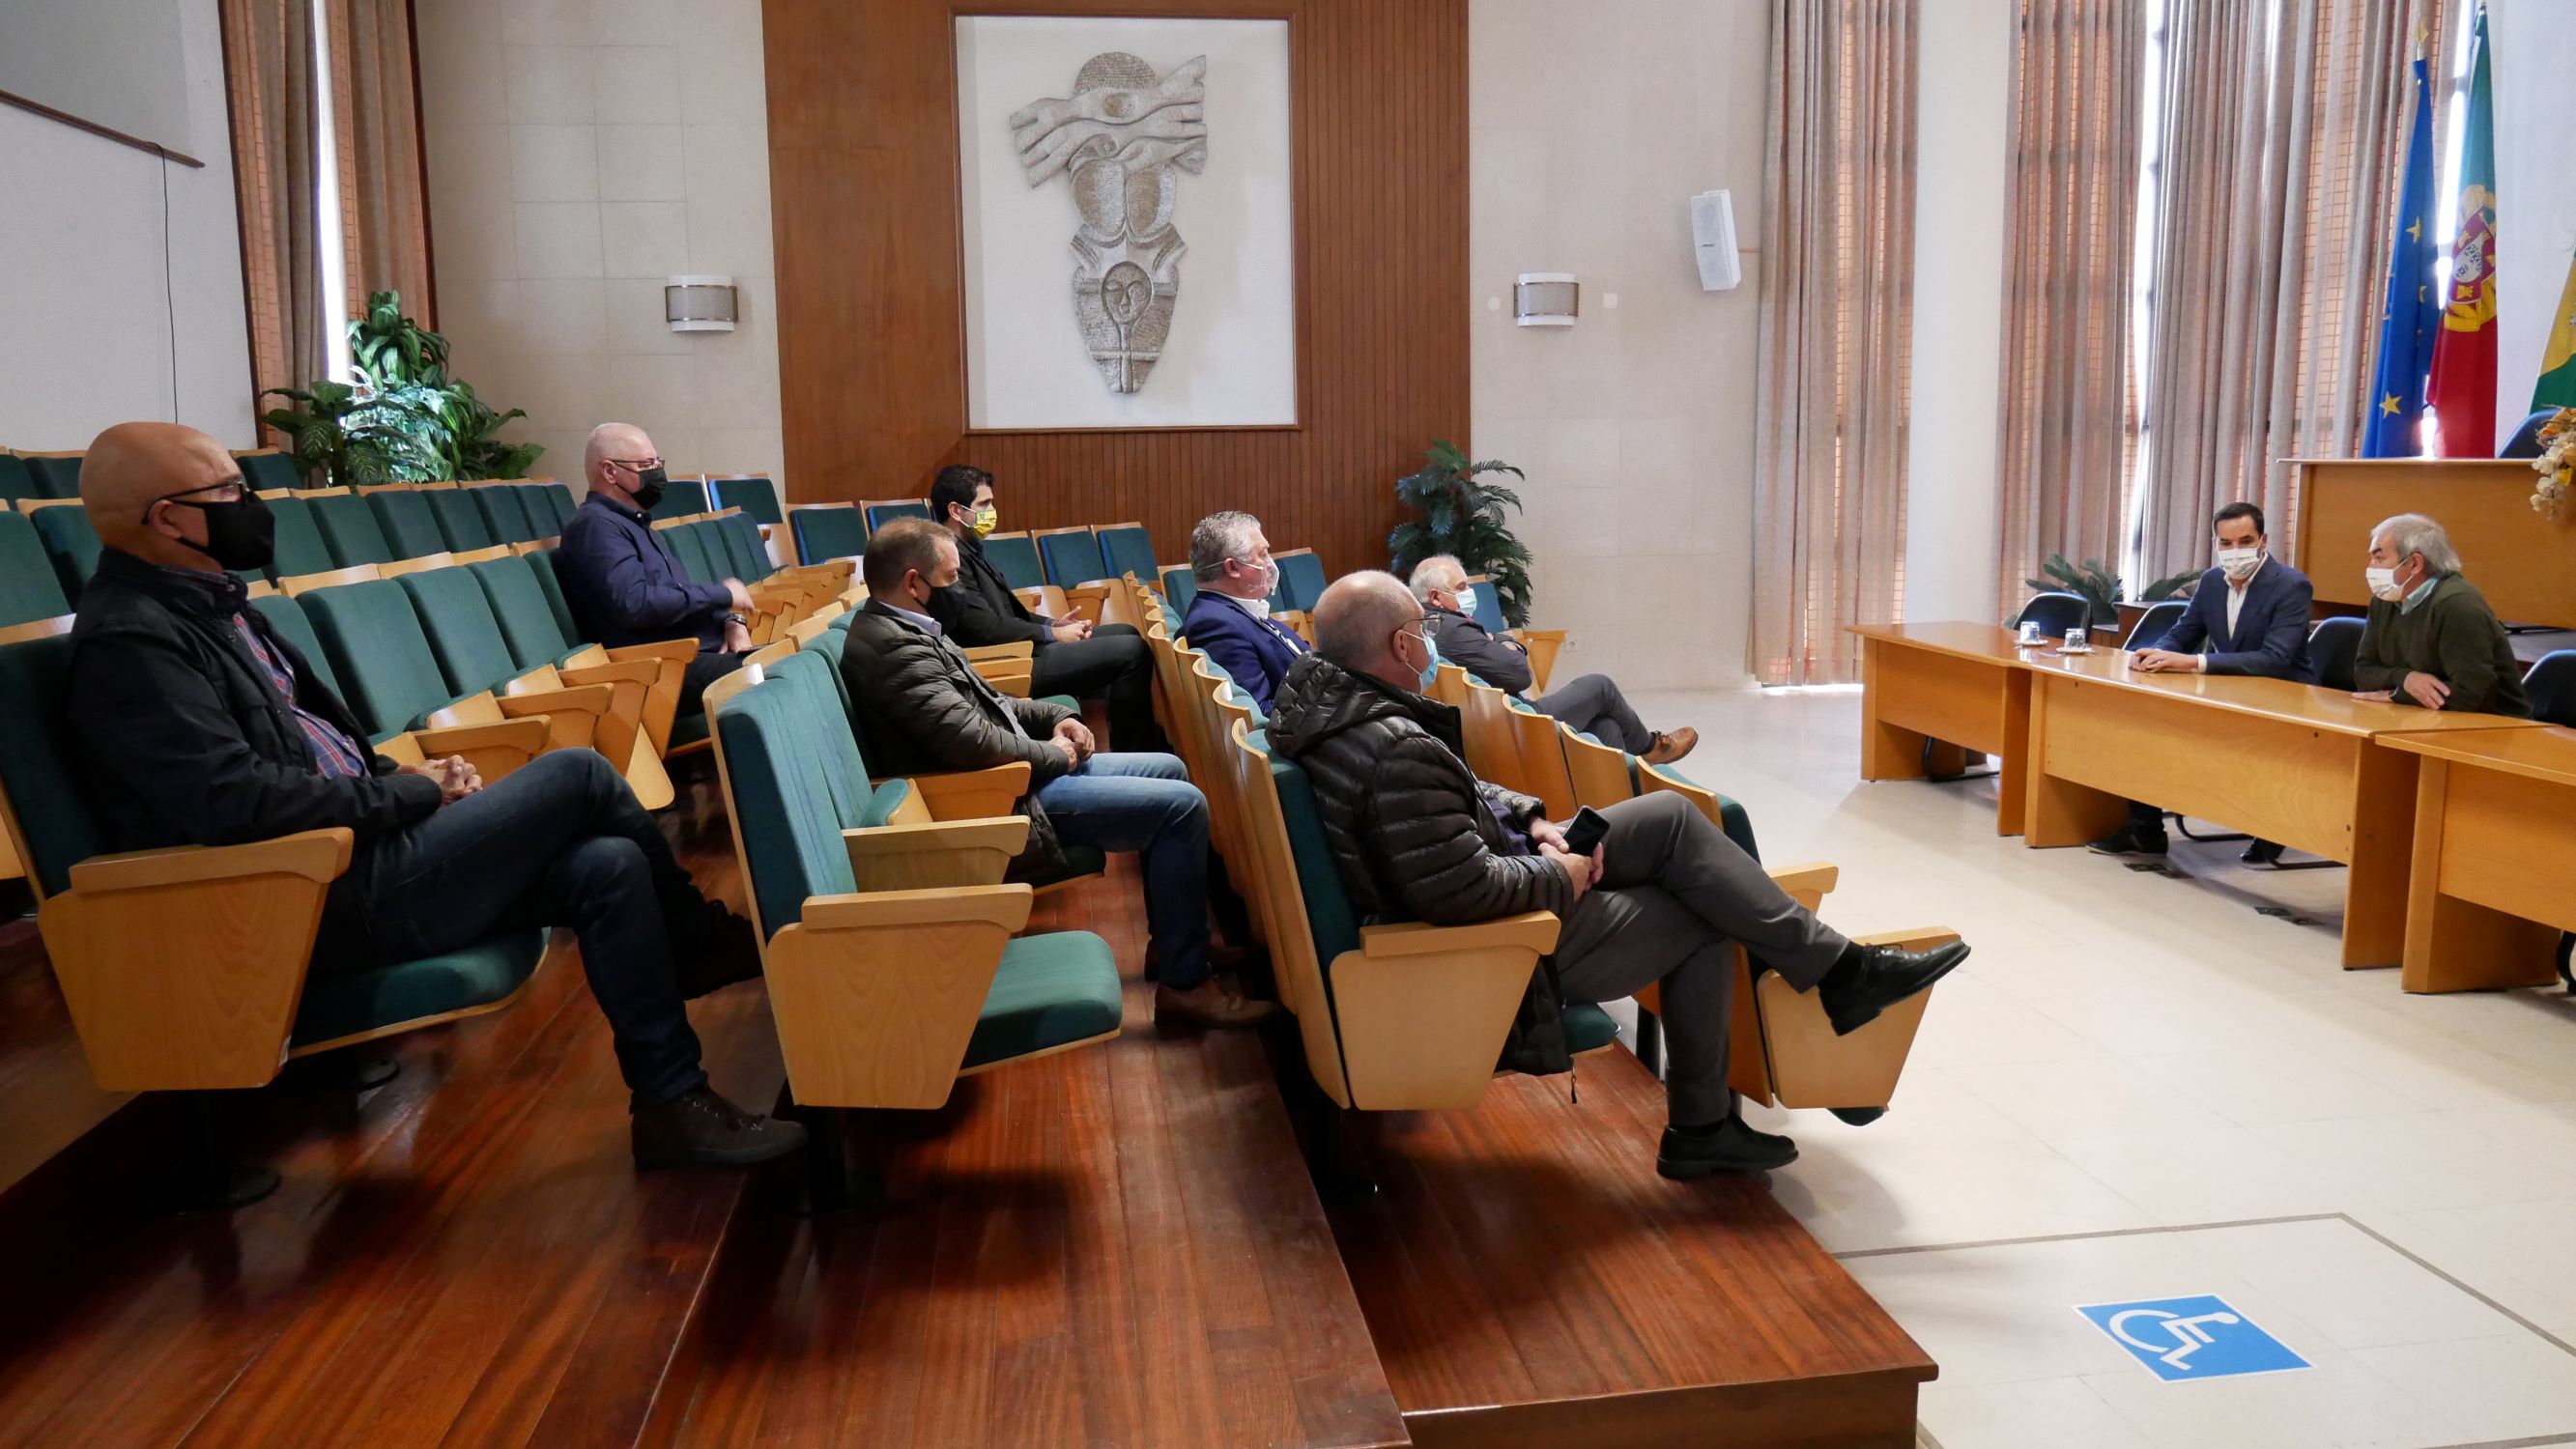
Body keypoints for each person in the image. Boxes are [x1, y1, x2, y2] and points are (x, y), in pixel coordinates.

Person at [65, 422, 799, 1169]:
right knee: (578, 772)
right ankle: (696, 941)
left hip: (361, 852)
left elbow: (322, 750)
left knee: (608, 864)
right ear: (168, 518)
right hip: (304, 895)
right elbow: (236, 802)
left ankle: (673, 1104)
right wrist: (410, 794)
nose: (249, 503)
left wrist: (402, 783)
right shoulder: (132, 641)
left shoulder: (217, 607)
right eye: (228, 491)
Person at [1267, 572, 1966, 1179]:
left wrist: (1532, 820)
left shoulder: (1336, 709)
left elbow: (1459, 794)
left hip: (1496, 874)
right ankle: (1707, 1122)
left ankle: (1838, 973)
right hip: (1496, 951)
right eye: (1422, 630)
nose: (1430, 641)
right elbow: (1461, 892)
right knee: (1706, 907)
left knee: (1667, 817)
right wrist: (1560, 874)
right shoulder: (1392, 748)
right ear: (1400, 646)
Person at [840, 520, 1272, 1030]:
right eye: (951, 578)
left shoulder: (908, 628)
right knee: (1182, 806)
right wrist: (1053, 754)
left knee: (1170, 768)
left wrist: (1056, 717)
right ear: (914, 583)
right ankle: (1186, 988)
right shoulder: (893, 647)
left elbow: (990, 703)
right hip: (988, 798)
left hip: (1009, 775)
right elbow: (971, 743)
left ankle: (1178, 947)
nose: (957, 589)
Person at [2089, 501, 2316, 863]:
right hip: (2228, 691)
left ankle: (2272, 829)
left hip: (2283, 700)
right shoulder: (2212, 581)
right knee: (2143, 723)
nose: (2235, 550)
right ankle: (2145, 831)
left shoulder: (2291, 585)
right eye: (2226, 543)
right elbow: (2184, 632)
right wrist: (2155, 653)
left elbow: (2275, 658)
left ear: (2263, 540)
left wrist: (2195, 662)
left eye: (2245, 541)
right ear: (2216, 544)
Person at [922, 464, 1166, 752]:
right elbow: (984, 628)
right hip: (1007, 661)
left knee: (1127, 631)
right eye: (984, 504)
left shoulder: (969, 548)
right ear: (955, 510)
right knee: (1132, 652)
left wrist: (1054, 625)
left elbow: (1010, 613)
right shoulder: (950, 558)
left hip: (1018, 647)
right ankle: (1136, 750)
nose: (992, 511)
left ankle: (1112, 737)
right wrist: (1052, 636)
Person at [1407, 554, 1698, 765]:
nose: (1469, 593)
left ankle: (1617, 802)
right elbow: (1520, 674)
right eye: (1461, 588)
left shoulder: (1428, 625)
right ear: (1436, 597)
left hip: (1497, 722)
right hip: (1521, 724)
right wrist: (1506, 641)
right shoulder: (1453, 630)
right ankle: (1650, 748)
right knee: (1600, 686)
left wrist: (1496, 641)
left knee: (1607, 727)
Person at [555, 422, 755, 721]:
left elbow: (678, 600)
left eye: (658, 463)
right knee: (782, 670)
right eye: (646, 465)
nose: (657, 473)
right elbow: (636, 604)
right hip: (659, 671)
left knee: (797, 659)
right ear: (609, 471)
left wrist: (731, 620)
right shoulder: (596, 527)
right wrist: (723, 594)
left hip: (693, 654)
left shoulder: (636, 524)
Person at [2351, 512, 2529, 718]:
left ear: (2415, 564)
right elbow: (2363, 673)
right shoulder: (2383, 600)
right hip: (2422, 718)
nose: (2370, 567)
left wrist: (2397, 695)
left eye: (2379, 558)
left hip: (2495, 726)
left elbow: (2471, 694)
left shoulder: (2458, 605)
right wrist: (2406, 678)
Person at [1178, 510, 1309, 713]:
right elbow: (1257, 711)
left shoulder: (1237, 610)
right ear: (1233, 568)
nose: (1269, 563)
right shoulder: (1216, 627)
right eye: (1263, 554)